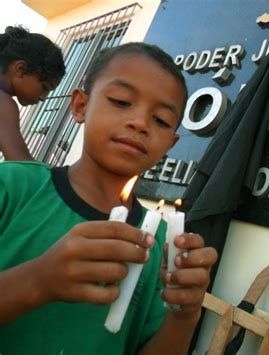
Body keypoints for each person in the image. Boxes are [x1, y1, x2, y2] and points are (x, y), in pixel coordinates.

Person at [0, 42, 217, 354]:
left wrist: (185, 315)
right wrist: (39, 280)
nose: (140, 123)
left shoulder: (158, 243)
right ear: (80, 106)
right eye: (121, 101)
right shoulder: (13, 186)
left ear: (170, 144)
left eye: (160, 120)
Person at [0, 25, 65, 160]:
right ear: (21, 69)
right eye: (45, 87)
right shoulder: (4, 103)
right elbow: (24, 168)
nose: (43, 98)